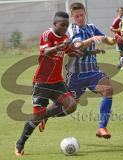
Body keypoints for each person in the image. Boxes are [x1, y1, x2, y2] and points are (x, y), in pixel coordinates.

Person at [39, 2, 117, 139]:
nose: (80, 18)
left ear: (85, 14)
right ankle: (45, 115)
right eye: (76, 16)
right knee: (65, 106)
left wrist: (116, 39)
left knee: (108, 89)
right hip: (76, 75)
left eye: (81, 15)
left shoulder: (92, 28)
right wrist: (92, 39)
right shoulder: (71, 30)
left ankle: (102, 127)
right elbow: (77, 46)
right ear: (72, 17)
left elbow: (107, 40)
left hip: (93, 72)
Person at [15, 11, 81, 156]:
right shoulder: (47, 35)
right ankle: (20, 143)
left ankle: (45, 116)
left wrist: (88, 51)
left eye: (67, 25)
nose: (64, 28)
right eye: (62, 25)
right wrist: (60, 46)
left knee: (72, 105)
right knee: (36, 118)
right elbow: (46, 52)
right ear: (54, 24)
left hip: (57, 82)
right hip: (42, 83)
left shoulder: (65, 38)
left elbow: (71, 51)